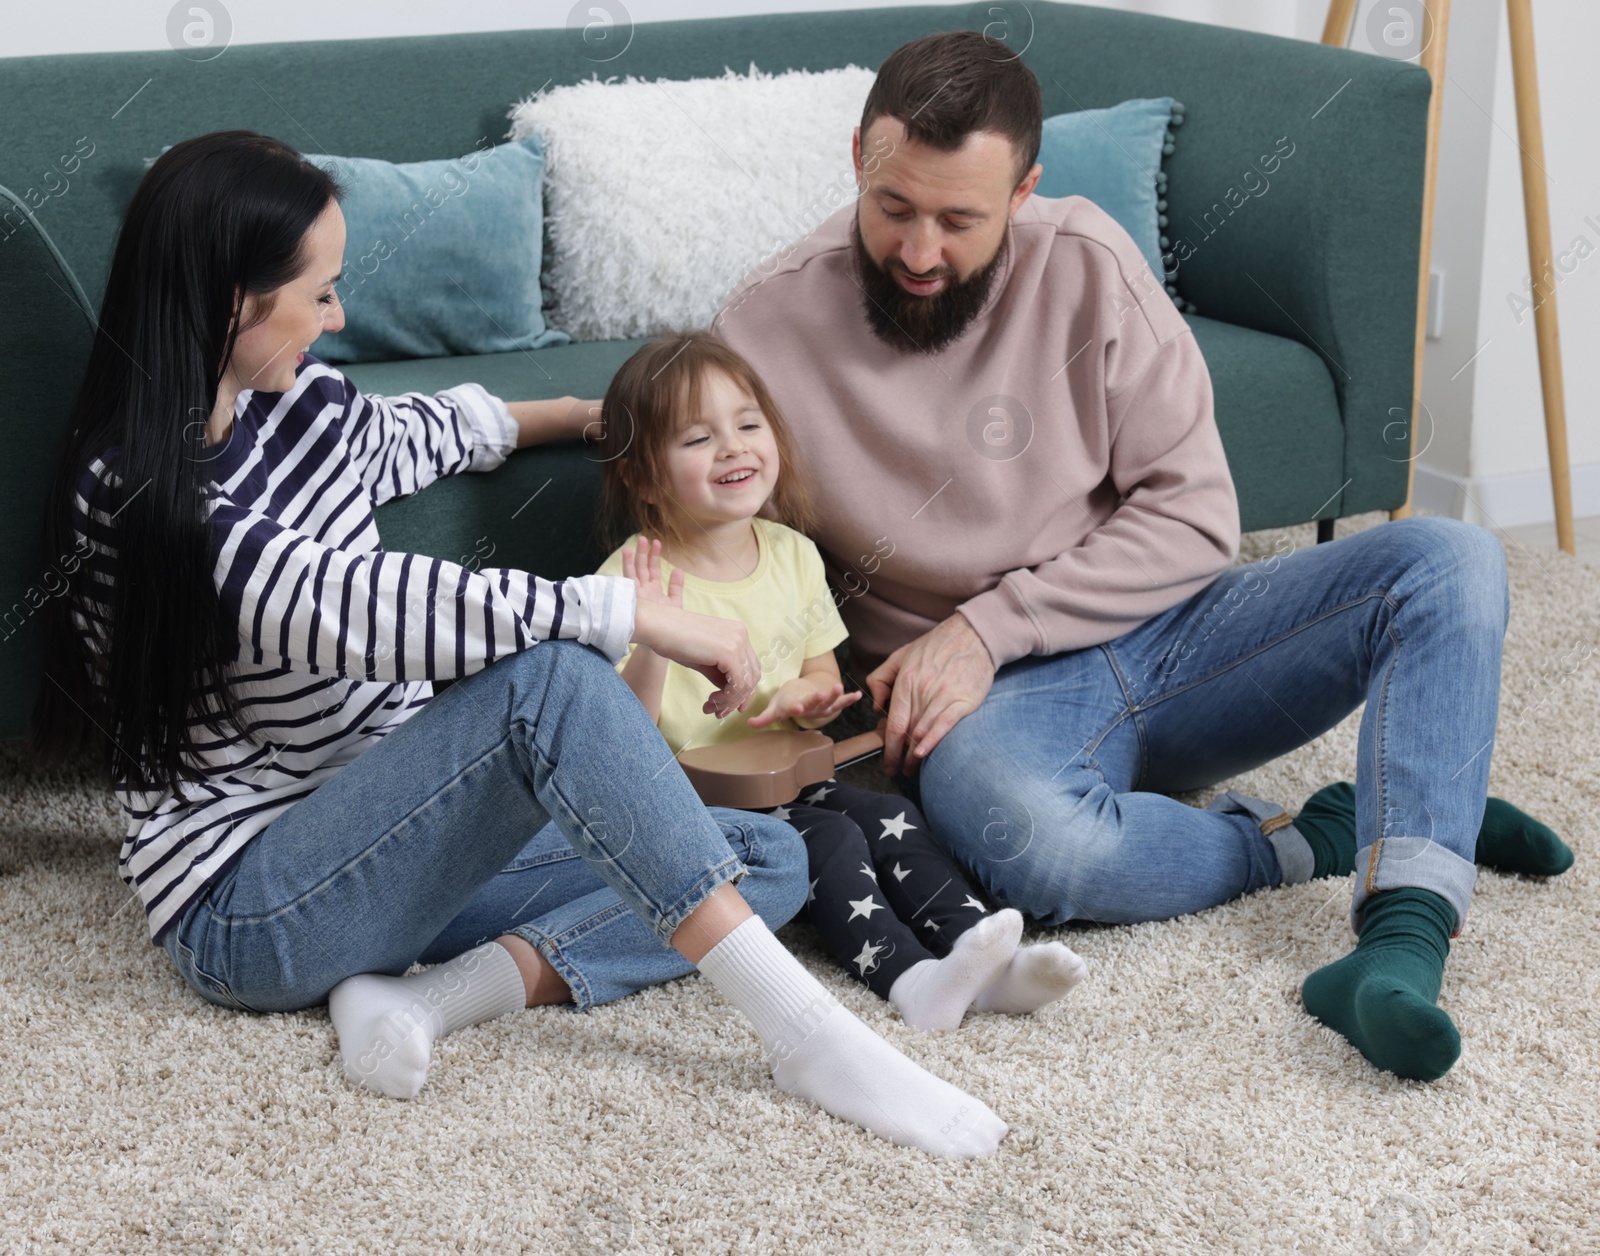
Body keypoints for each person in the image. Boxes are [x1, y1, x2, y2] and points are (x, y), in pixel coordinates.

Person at [24, 130, 1008, 1158]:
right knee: (552, 681)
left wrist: (595, 416)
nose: (338, 315)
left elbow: (416, 433)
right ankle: (806, 1034)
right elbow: (350, 599)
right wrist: (628, 612)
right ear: (233, 299)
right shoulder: (138, 493)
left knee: (760, 848)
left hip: (394, 844)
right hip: (256, 906)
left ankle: (427, 998)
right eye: (318, 293)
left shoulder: (291, 401)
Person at [711, 31, 1575, 1083]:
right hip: (996, 716)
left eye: (959, 219)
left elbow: (1198, 517)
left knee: (1449, 560)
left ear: (1025, 189)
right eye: (895, 206)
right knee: (1035, 845)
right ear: (858, 158)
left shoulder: (1086, 261)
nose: (921, 250)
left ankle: (1399, 940)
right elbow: (726, 543)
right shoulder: (764, 327)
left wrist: (991, 624)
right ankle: (1323, 831)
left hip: (1170, 634)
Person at [588, 331, 1088, 1031]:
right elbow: (614, 740)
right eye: (698, 438)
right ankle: (912, 980)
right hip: (692, 804)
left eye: (748, 425)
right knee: (830, 842)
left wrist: (809, 697)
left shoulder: (792, 555)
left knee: (893, 816)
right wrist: (653, 637)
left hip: (781, 777)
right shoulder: (626, 581)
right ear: (642, 476)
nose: (734, 448)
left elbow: (820, 676)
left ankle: (989, 964)